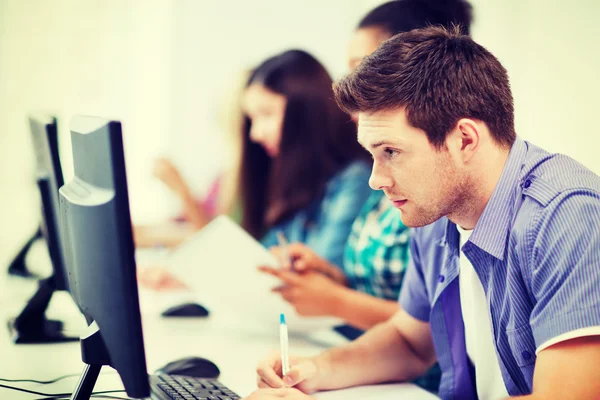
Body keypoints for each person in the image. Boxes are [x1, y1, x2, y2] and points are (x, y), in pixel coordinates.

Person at [247, 26, 600, 400]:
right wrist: (314, 370)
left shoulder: (569, 218)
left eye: (391, 153)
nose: (375, 180)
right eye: (372, 155)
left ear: (464, 139)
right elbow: (408, 341)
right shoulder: (435, 208)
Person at [241, 50, 371, 268]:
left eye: (266, 114)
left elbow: (322, 271)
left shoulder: (355, 179)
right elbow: (261, 257)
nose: (255, 134)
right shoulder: (301, 180)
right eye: (252, 119)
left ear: (305, 112)